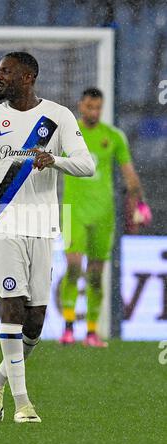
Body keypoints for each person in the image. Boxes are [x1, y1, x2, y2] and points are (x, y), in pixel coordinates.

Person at [0, 52, 95, 423]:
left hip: (43, 226)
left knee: (35, 323)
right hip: (5, 223)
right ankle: (23, 404)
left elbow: (87, 165)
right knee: (12, 309)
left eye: (6, 72)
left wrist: (54, 160)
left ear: (28, 77)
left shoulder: (58, 116)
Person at [59, 87, 150, 347]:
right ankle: (67, 328)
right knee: (74, 266)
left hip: (104, 215)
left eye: (98, 108)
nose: (94, 112)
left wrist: (140, 204)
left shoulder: (113, 136)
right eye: (89, 107)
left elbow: (129, 173)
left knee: (96, 276)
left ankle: (91, 332)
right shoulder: (68, 133)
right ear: (81, 106)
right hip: (73, 211)